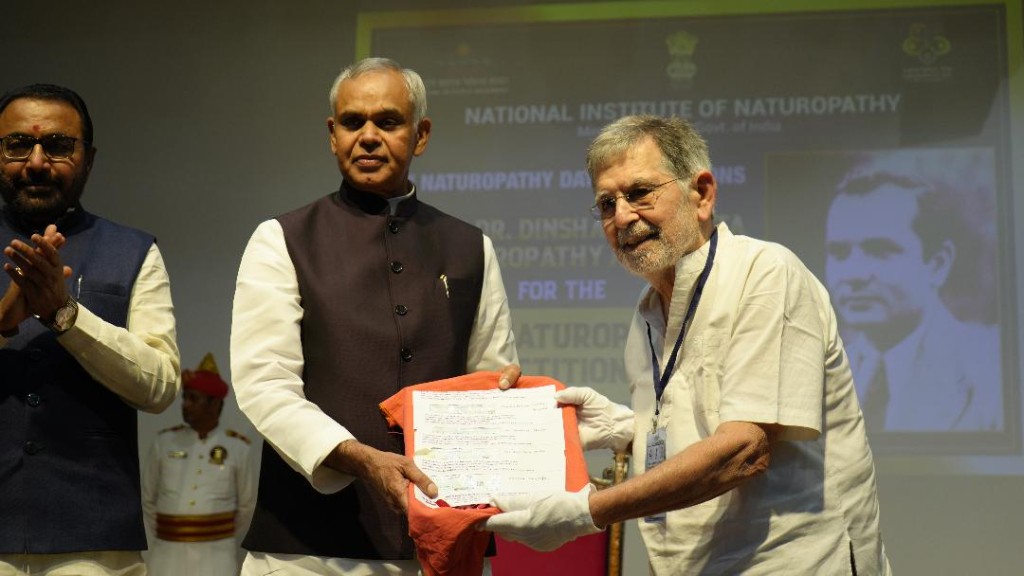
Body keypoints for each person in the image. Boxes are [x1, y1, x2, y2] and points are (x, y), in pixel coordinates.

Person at [484, 115, 891, 575]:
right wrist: (628, 428)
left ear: (702, 193)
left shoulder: (765, 274)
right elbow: (702, 424)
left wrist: (588, 511)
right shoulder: (646, 315)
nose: (622, 216)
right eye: (605, 204)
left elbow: (744, 450)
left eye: (640, 193)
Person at [230, 57, 519, 575]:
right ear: (331, 133)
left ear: (421, 134)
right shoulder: (282, 238)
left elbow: (491, 381)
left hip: (441, 541)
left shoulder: (472, 247)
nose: (367, 136)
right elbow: (263, 384)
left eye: (387, 122)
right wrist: (363, 459)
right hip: (306, 548)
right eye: (351, 122)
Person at [0, 83, 179, 575]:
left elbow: (161, 386)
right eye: (18, 144)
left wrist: (67, 316)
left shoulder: (135, 251)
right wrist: (3, 323)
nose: (36, 161)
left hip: (94, 539)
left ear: (89, 158)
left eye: (57, 146)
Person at [825, 149, 1001, 432]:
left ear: (937, 263)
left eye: (879, 251)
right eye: (839, 253)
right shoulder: (822, 373)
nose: (854, 274)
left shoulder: (992, 373)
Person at [142, 353, 256, 576]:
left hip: (216, 556)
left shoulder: (237, 447)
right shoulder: (164, 442)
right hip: (168, 555)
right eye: (185, 397)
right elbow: (147, 499)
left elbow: (247, 506)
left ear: (214, 404)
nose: (185, 405)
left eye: (193, 399)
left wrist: (216, 534)